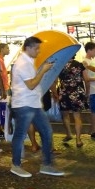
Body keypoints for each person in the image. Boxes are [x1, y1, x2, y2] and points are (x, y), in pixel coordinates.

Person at [10, 36, 64, 178]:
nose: (38, 51)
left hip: (33, 104)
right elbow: (31, 84)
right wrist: (43, 70)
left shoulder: (28, 62)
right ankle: (16, 165)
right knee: (20, 135)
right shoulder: (22, 63)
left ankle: (46, 164)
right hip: (24, 104)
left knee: (47, 132)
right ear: (28, 48)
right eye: (36, 48)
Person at [57, 56, 87, 147]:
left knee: (65, 114)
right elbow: (86, 79)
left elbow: (55, 80)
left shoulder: (60, 65)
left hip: (64, 92)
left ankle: (69, 134)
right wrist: (87, 92)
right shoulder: (80, 65)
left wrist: (55, 93)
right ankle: (78, 140)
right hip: (77, 92)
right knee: (77, 116)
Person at [0, 43, 11, 140]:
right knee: (1, 110)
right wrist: (2, 90)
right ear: (2, 49)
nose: (9, 50)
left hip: (4, 87)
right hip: (2, 88)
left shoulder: (1, 60)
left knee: (2, 109)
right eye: (7, 48)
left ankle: (0, 129)